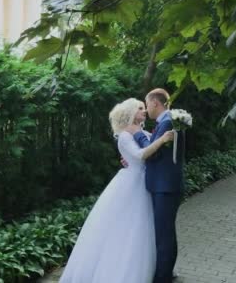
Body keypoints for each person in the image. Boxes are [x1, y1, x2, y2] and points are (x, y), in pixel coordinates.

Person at [59, 98, 174, 283]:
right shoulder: (124, 135)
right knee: (128, 227)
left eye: (144, 108)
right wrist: (163, 139)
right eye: (140, 108)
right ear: (129, 112)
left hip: (143, 182)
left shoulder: (139, 131)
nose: (144, 112)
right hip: (131, 183)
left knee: (143, 228)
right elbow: (140, 154)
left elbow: (147, 147)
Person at [133, 88, 185, 283]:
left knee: (164, 234)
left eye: (147, 105)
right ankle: (165, 272)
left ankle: (163, 277)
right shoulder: (167, 121)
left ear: (155, 102)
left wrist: (137, 135)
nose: (146, 109)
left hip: (165, 187)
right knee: (165, 232)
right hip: (165, 186)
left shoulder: (167, 122)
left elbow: (152, 153)